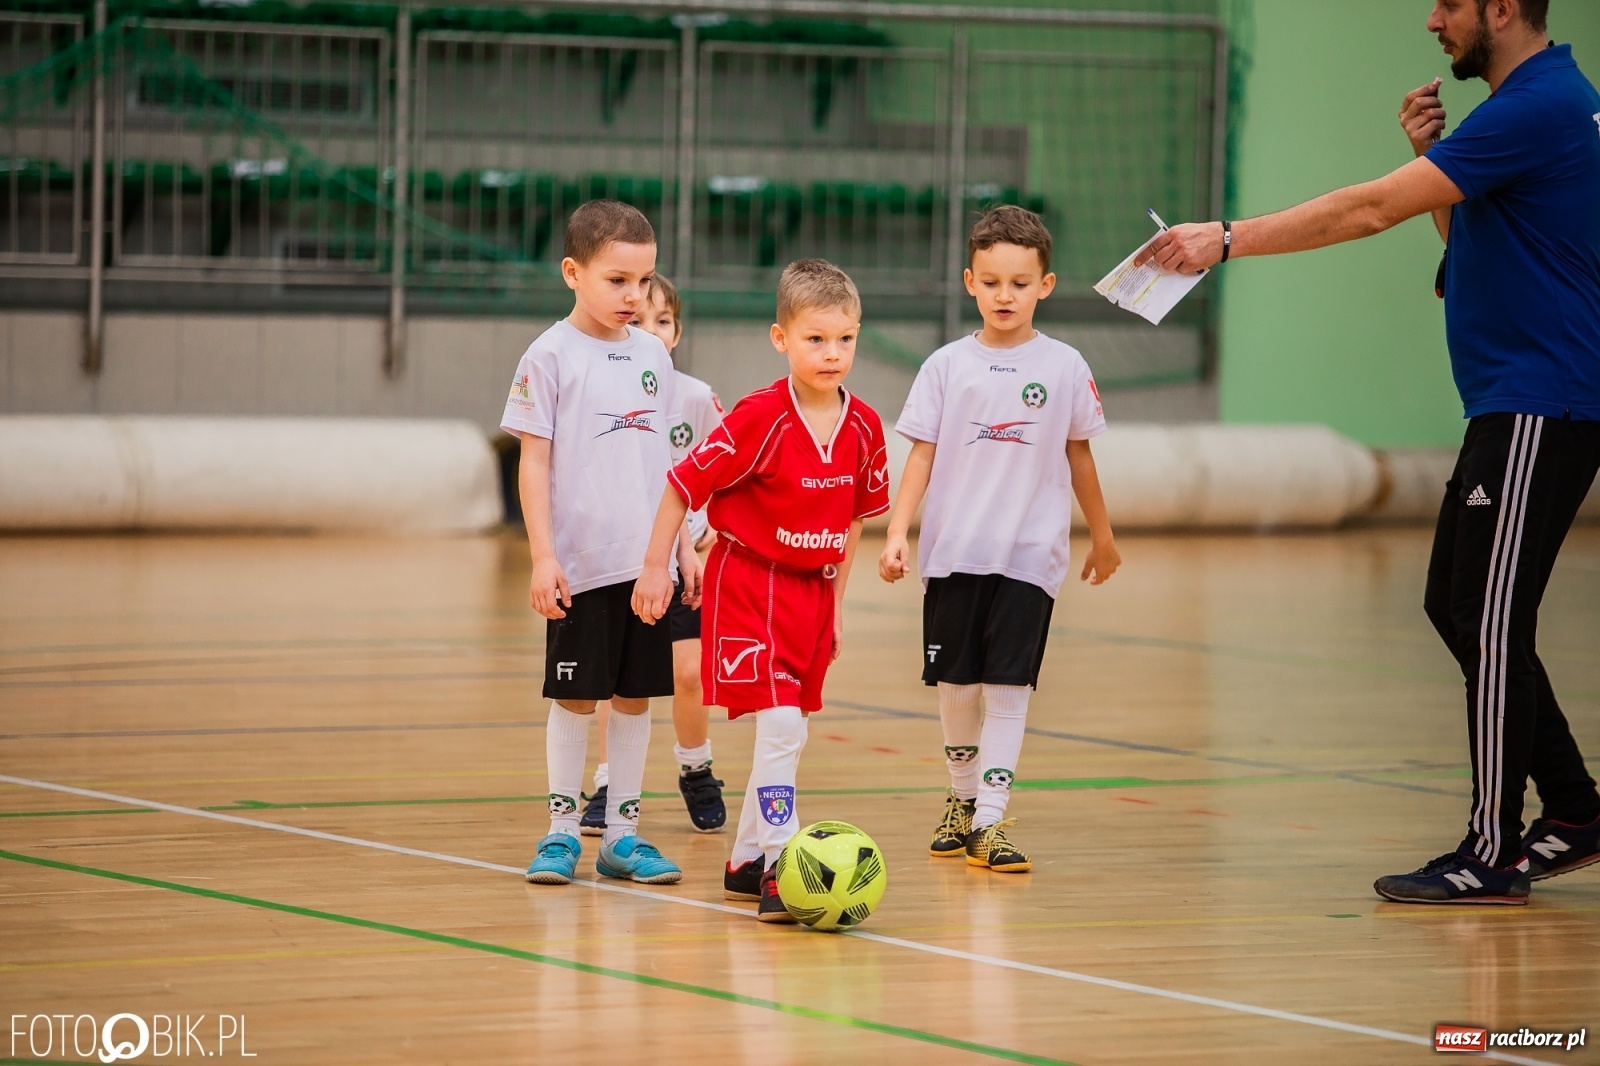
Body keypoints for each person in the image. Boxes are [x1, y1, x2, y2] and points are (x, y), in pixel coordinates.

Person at [1139, 0, 1600, 904]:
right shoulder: (1535, 107)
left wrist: (1224, 239)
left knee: (1493, 618)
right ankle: (1578, 812)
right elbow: (1466, 250)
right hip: (1511, 406)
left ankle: (1493, 847)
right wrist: (1436, 158)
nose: (1434, 21)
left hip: (1543, 405)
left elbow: (1372, 209)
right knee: (1456, 605)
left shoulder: (1539, 104)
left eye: (1451, 6)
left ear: (1501, 9)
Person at [632, 259, 891, 921]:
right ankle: (783, 864)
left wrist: (833, 610)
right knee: (779, 728)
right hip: (747, 585)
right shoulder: (758, 417)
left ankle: (746, 862)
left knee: (791, 735)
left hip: (810, 595)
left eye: (845, 339)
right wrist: (657, 566)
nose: (832, 354)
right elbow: (682, 485)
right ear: (782, 340)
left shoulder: (864, 428)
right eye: (815, 339)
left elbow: (854, 526)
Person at [879, 205, 1121, 873]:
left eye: (1019, 283)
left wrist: (1102, 537)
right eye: (991, 282)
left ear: (1045, 284)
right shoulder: (946, 366)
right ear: (969, 282)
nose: (1004, 295)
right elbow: (921, 456)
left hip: (1029, 557)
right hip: (953, 553)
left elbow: (1080, 457)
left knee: (1009, 686)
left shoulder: (1066, 365)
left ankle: (990, 818)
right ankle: (959, 799)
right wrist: (899, 531)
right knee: (957, 683)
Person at [499, 199, 701, 887]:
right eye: (617, 280)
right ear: (572, 272)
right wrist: (544, 555)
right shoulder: (549, 355)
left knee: (636, 697)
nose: (634, 296)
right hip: (581, 566)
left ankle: (623, 836)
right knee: (577, 697)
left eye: (644, 281)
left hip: (646, 566)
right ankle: (561, 833)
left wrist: (677, 549)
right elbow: (533, 461)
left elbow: (668, 467)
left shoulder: (652, 355)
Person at [583, 274, 729, 836]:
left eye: (662, 320)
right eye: (640, 318)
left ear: (677, 330)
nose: (650, 330)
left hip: (683, 559)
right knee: (621, 681)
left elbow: (724, 471)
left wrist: (707, 528)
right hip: (622, 558)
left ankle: (696, 768)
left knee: (689, 671)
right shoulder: (603, 394)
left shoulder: (694, 396)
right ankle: (607, 782)